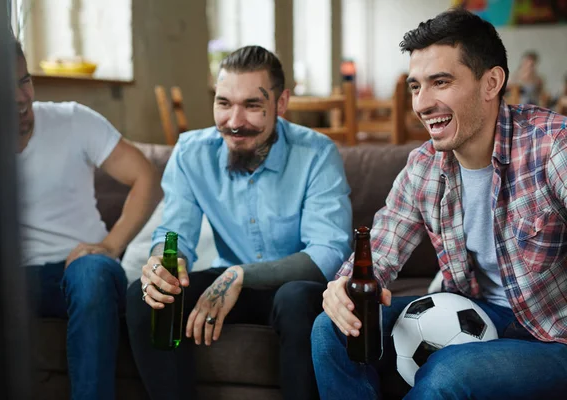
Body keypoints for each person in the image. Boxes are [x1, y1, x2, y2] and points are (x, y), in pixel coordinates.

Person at [311, 8, 567, 400]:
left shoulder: (552, 147)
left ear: (491, 82)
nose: (423, 103)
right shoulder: (424, 167)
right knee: (330, 329)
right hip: (474, 312)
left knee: (448, 373)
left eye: (440, 82)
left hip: (554, 337)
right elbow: (379, 249)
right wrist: (343, 288)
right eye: (415, 87)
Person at [126, 45, 352, 400]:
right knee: (146, 299)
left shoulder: (317, 154)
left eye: (252, 106)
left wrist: (241, 274)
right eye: (224, 103)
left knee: (295, 298)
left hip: (292, 287)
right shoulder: (190, 152)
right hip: (228, 280)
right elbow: (175, 233)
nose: (234, 121)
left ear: (280, 104)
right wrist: (162, 262)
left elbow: (328, 253)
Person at [15, 38, 163, 400]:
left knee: (92, 271)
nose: (21, 97)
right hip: (13, 280)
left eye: (24, 80)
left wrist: (111, 245)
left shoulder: (72, 120)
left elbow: (146, 177)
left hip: (82, 270)